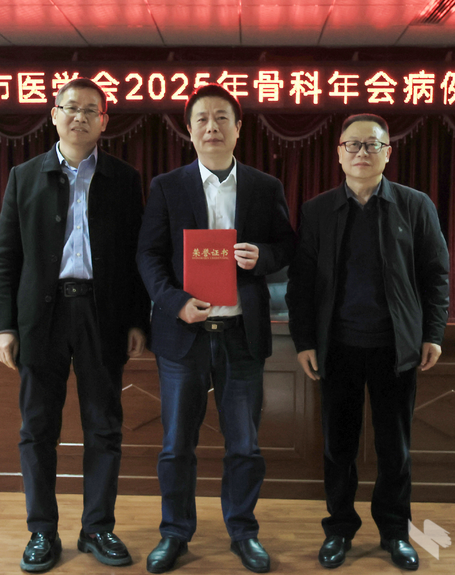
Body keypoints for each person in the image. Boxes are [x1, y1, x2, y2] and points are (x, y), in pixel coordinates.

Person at [0, 77, 149, 573]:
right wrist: (4, 326)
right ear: (54, 115)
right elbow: (5, 257)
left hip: (102, 315)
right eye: (71, 108)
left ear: (104, 121)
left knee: (104, 426)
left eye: (90, 110)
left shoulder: (124, 178)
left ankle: (97, 527)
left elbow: (136, 257)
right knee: (38, 427)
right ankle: (42, 530)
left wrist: (137, 320)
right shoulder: (25, 176)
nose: (80, 117)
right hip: (42, 317)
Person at [136, 84, 295, 574]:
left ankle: (243, 532)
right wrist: (176, 303)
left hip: (241, 335)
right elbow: (148, 256)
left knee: (244, 445)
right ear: (189, 130)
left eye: (222, 118)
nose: (212, 127)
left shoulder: (264, 186)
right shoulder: (167, 186)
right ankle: (174, 533)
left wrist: (262, 257)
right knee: (176, 445)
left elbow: (287, 248)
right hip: (183, 335)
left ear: (238, 128)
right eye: (202, 119)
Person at [285, 114, 449, 571]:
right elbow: (301, 284)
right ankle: (339, 528)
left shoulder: (415, 206)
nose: (362, 152)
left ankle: (395, 531)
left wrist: (432, 333)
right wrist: (304, 341)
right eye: (353, 145)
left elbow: (436, 275)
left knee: (395, 447)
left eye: (372, 145)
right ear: (338, 153)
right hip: (336, 346)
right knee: (338, 446)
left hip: (395, 348)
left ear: (387, 153)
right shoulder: (318, 210)